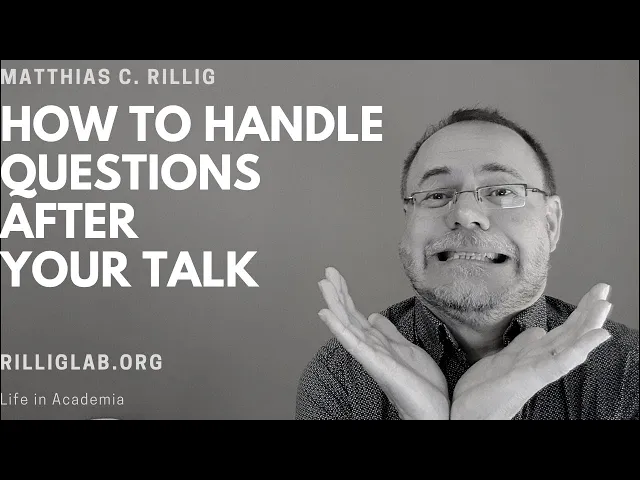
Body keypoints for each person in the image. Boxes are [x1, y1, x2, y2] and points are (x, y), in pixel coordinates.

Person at [295, 107, 639, 420]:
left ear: (550, 224)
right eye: (437, 195)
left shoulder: (628, 371)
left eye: (501, 191)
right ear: (407, 221)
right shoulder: (342, 377)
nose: (465, 213)